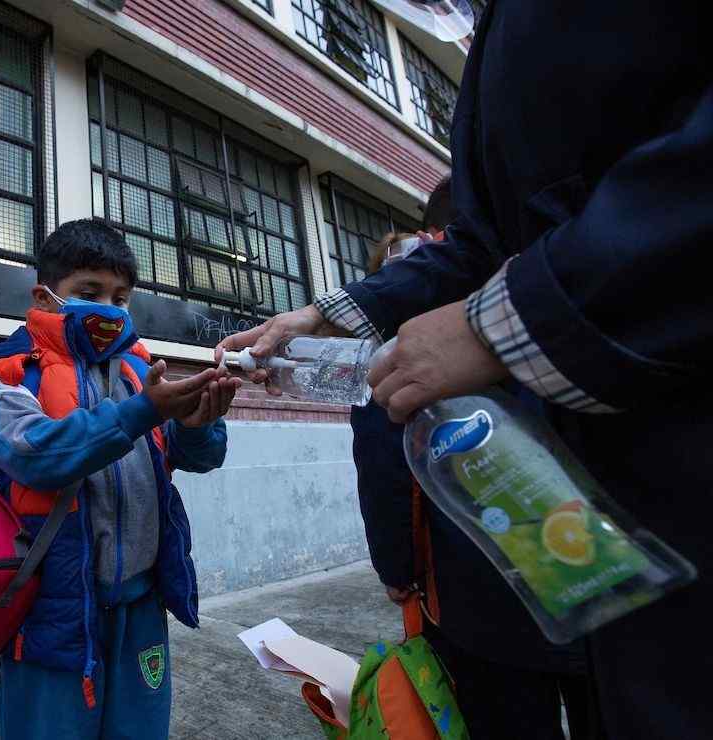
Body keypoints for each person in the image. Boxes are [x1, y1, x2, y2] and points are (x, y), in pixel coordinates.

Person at [219, 3, 712, 736]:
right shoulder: (495, 39)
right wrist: (322, 317)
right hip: (574, 562)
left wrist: (501, 325)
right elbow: (483, 242)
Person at [0, 219, 241, 739]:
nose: (109, 310)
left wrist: (199, 424)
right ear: (47, 298)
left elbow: (197, 459)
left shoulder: (140, 372)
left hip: (141, 610)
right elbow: (36, 456)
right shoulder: (12, 375)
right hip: (52, 617)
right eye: (88, 293)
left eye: (121, 297)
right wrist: (140, 413)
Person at [353, 220, 599, 738]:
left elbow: (386, 480)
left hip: (479, 602)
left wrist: (397, 570)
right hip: (591, 571)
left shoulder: (389, 369)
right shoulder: (541, 326)